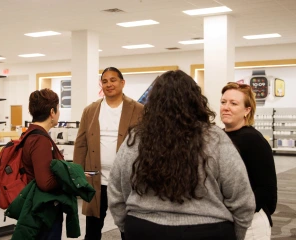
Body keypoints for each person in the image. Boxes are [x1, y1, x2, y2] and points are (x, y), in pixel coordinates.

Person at [108, 70, 256, 240]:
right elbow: (241, 197)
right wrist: (236, 234)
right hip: (208, 230)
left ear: (154, 102)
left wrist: (128, 227)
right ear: (196, 100)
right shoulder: (214, 137)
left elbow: (116, 191)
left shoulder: (136, 138)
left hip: (144, 228)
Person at [73, 67, 144, 240]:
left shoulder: (138, 109)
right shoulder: (91, 110)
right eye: (104, 81)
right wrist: (77, 175)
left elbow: (146, 145)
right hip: (95, 179)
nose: (109, 84)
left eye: (113, 80)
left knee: (128, 227)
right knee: (92, 228)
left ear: (122, 83)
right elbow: (81, 144)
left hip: (126, 180)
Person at [220, 82, 277, 240]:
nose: (226, 107)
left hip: (250, 223)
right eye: (223, 102)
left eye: (233, 103)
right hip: (226, 219)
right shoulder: (219, 136)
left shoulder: (253, 140)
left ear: (247, 110)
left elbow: (266, 189)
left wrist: (240, 212)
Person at [21, 88, 64, 240]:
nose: (58, 113)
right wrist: (69, 178)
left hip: (37, 208)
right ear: (52, 112)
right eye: (58, 109)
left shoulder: (30, 134)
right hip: (44, 211)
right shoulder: (40, 140)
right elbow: (45, 182)